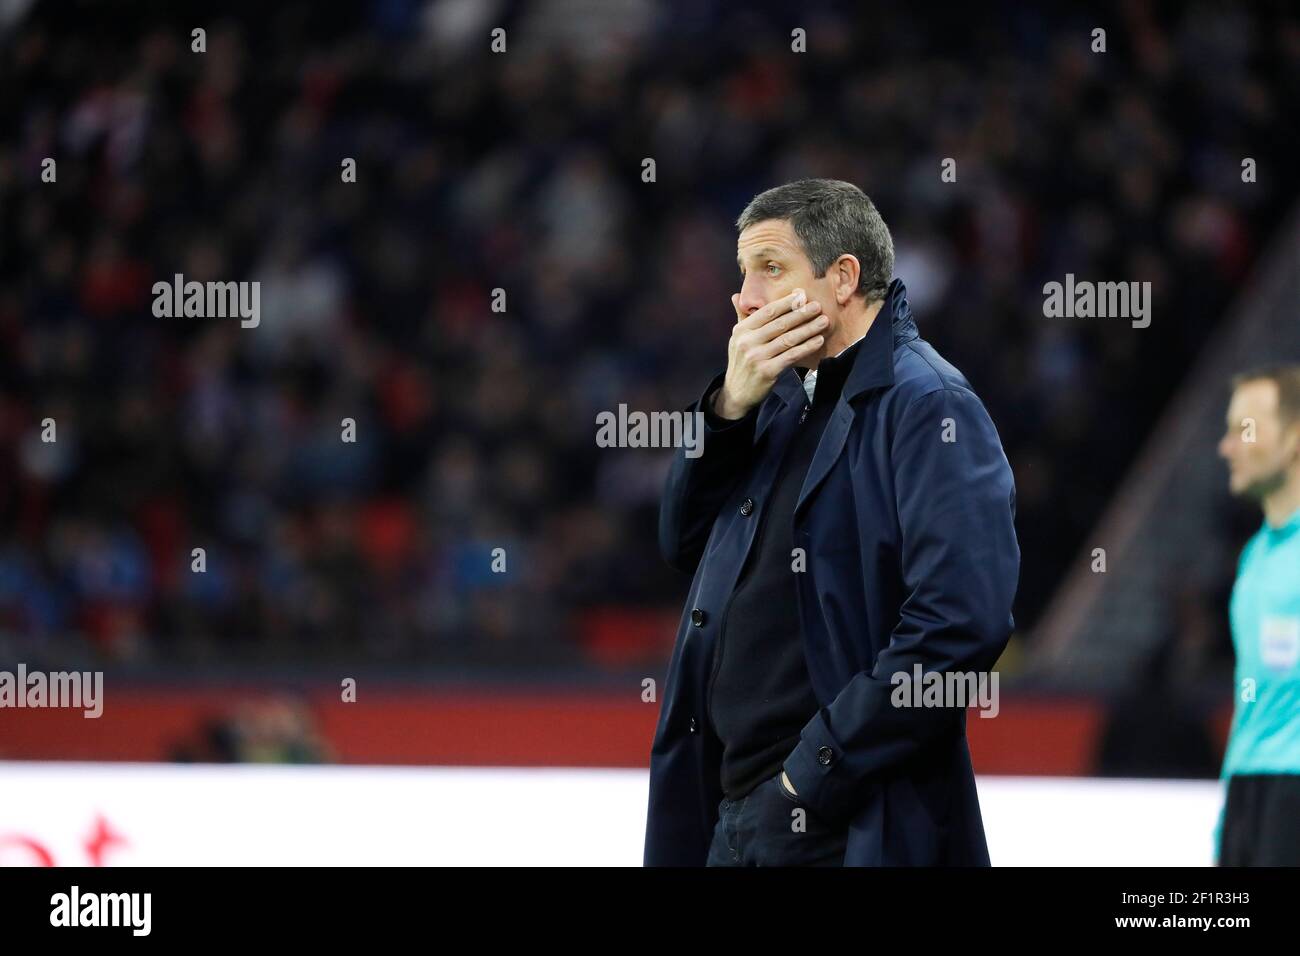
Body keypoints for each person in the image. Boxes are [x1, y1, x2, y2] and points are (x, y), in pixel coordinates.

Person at [643, 179, 1020, 866]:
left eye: (770, 268)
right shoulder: (778, 402)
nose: (745, 299)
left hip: (841, 826)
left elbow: (960, 625)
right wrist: (726, 409)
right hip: (733, 816)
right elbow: (680, 544)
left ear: (843, 276)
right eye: (742, 274)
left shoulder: (929, 404)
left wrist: (806, 780)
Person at [1213, 364, 1300, 866]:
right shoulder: (1253, 559)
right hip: (1249, 795)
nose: (1227, 447)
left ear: (1293, 440)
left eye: (1243, 429)